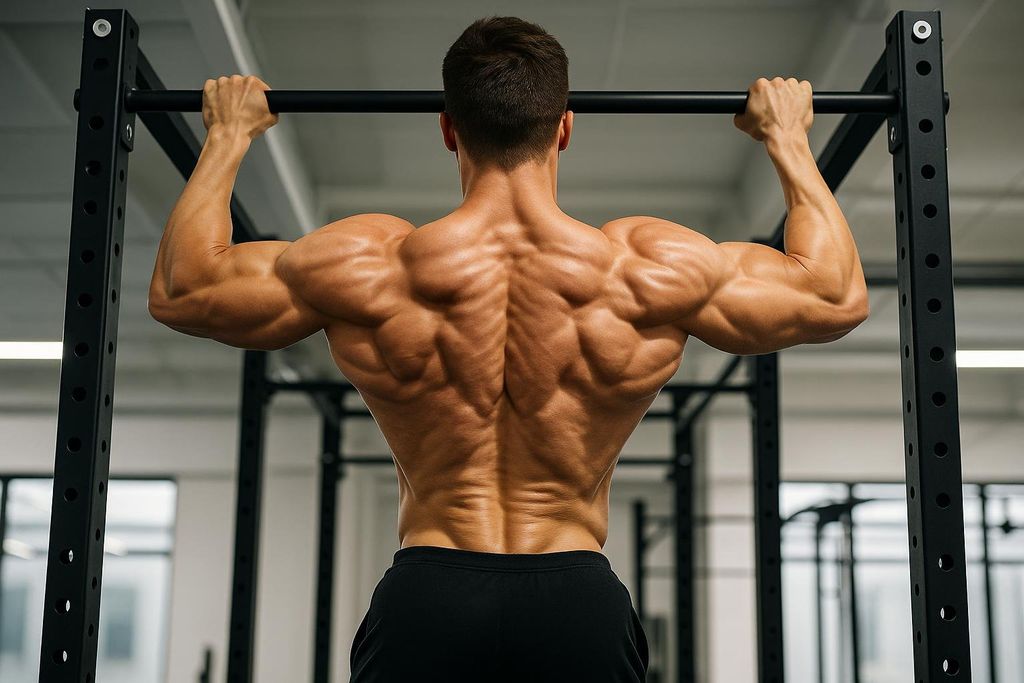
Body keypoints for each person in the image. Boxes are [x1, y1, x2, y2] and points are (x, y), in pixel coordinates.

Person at [148, 16, 868, 683]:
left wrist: (228, 136)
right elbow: (834, 295)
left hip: (426, 597)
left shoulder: (371, 264)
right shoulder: (642, 269)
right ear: (564, 128)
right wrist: (788, 139)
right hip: (575, 600)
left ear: (447, 128)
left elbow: (185, 288)